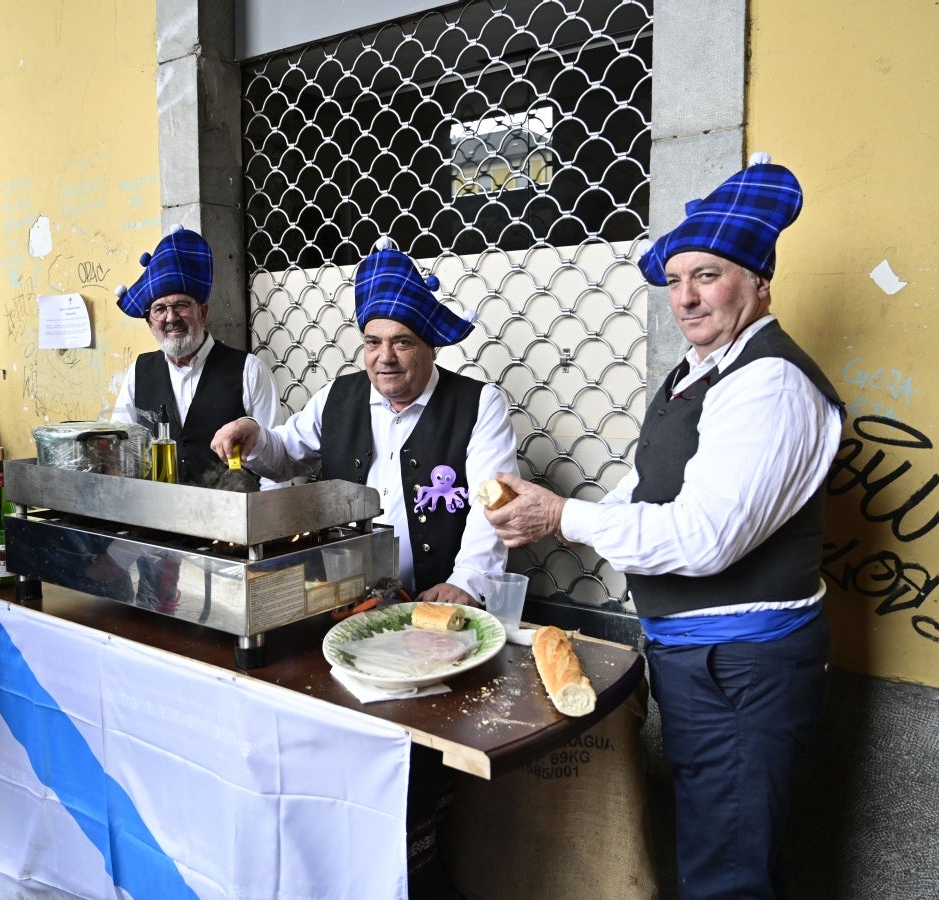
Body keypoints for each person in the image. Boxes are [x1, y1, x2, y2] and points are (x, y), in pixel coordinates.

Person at [483, 155, 844, 900]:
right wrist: (548, 512)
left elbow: (708, 537)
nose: (685, 297)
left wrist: (563, 516)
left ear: (759, 282)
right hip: (698, 656)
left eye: (707, 276)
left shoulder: (769, 384)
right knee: (716, 843)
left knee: (731, 869)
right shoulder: (698, 371)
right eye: (676, 280)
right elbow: (643, 491)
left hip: (741, 666)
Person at [210, 240, 517, 605]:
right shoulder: (337, 396)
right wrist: (255, 436)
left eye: (401, 342)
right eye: (373, 342)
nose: (385, 357)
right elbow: (286, 456)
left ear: (431, 346)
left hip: (434, 604)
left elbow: (493, 505)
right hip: (345, 600)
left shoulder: (479, 404)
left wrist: (467, 581)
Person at [108, 226, 280, 486]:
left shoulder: (249, 370)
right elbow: (121, 451)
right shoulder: (139, 372)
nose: (171, 317)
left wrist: (268, 522)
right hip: (156, 519)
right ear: (149, 323)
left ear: (203, 313)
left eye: (181, 305)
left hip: (232, 519)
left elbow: (274, 463)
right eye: (160, 309)